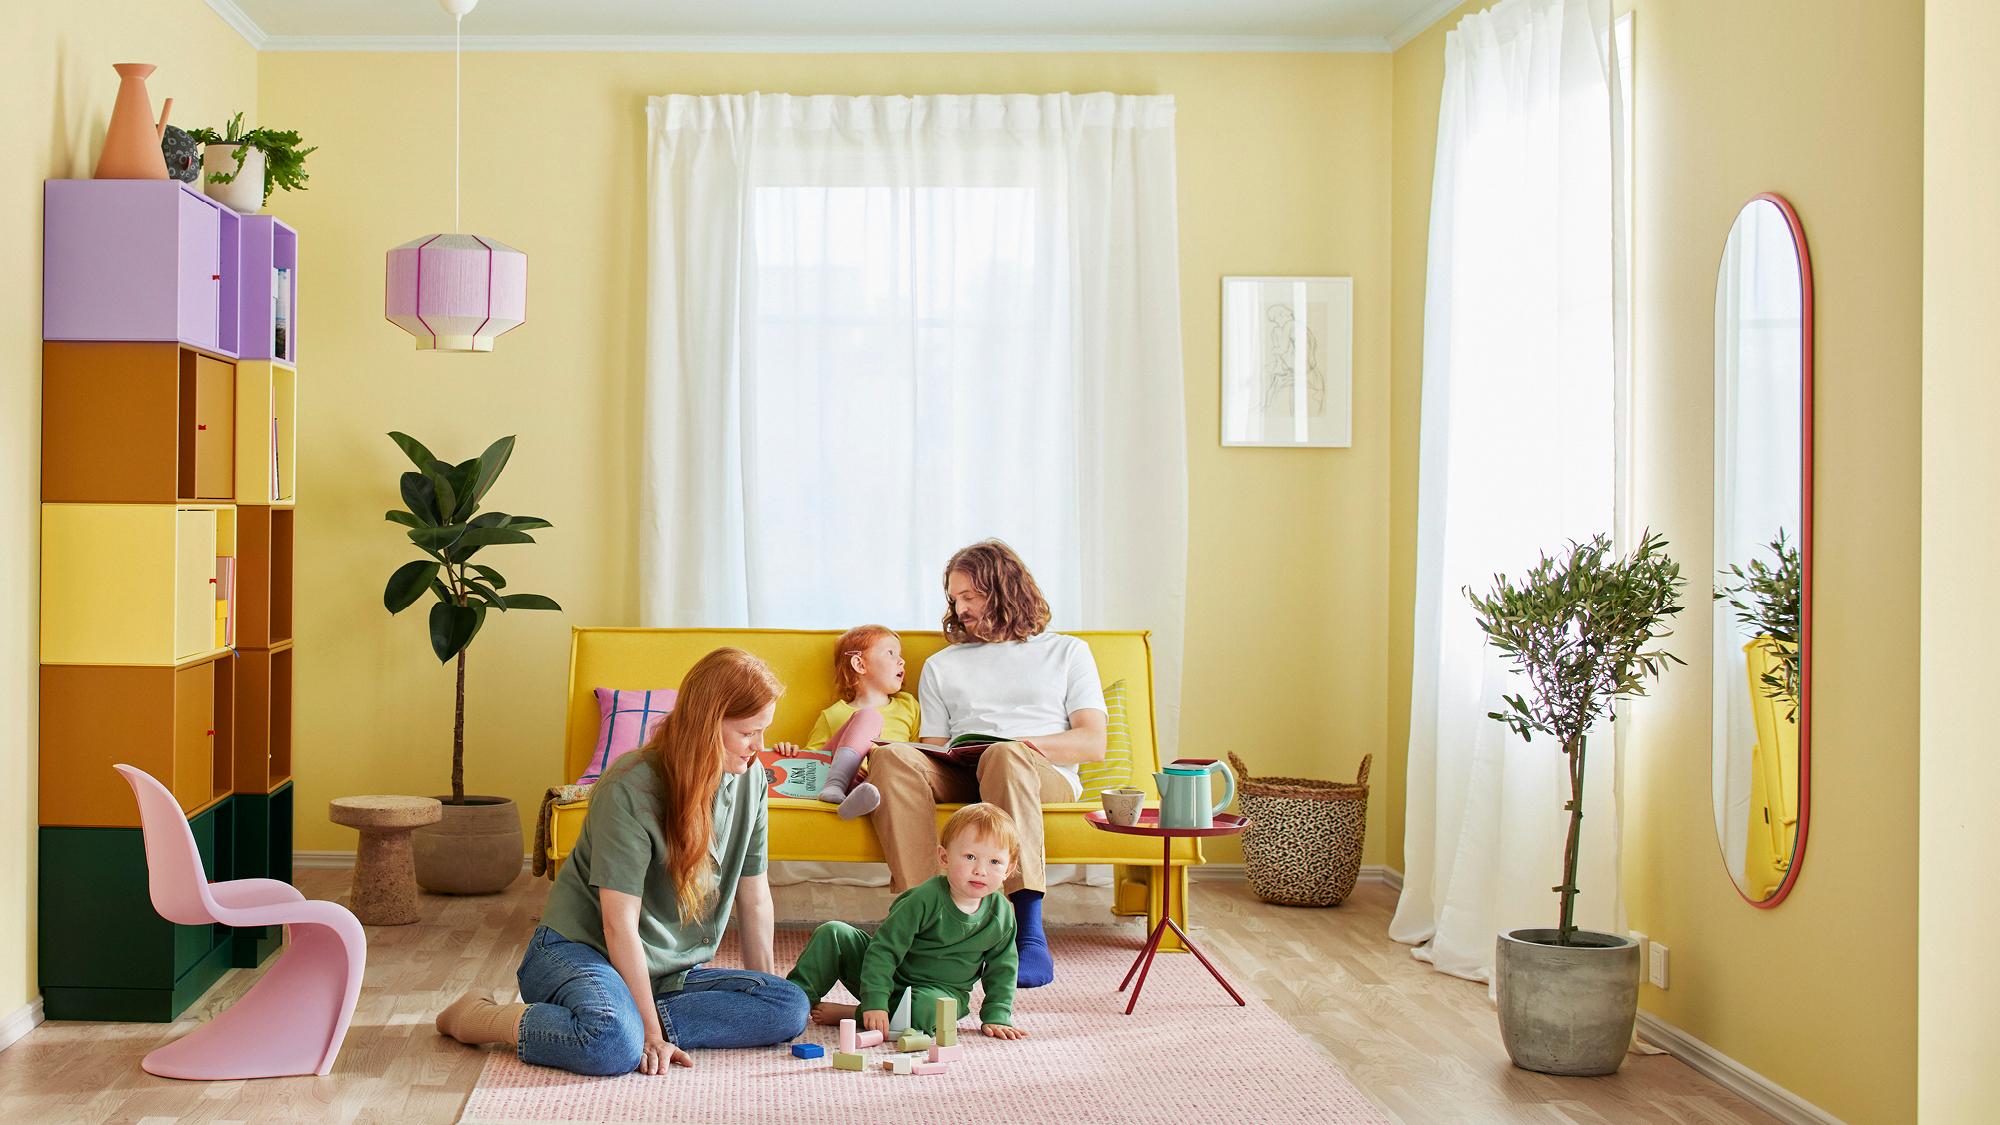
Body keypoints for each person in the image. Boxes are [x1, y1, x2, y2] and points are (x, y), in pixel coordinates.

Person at [435, 648, 810, 1076]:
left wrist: (760, 993)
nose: (759, 748)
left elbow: (755, 897)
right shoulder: (630, 786)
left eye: (764, 732)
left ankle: (625, 1014)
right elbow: (618, 924)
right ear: (708, 726)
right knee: (611, 1045)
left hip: (667, 974)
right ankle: (479, 1017)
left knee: (787, 1006)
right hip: (578, 951)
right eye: (748, 734)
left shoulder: (751, 780)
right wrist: (651, 1034)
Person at [868, 540, 1108, 989]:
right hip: (965, 768)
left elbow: (1092, 742)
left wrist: (1020, 745)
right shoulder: (943, 664)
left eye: (970, 597)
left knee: (1004, 754)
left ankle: (1027, 933)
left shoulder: (1067, 652)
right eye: (955, 600)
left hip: (1038, 772)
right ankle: (927, 917)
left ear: (1003, 588)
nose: (960, 610)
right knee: (890, 755)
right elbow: (933, 745)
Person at [786, 803, 1028, 1040]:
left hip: (939, 994)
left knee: (930, 1009)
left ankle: (854, 1016)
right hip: (887, 977)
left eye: (994, 862)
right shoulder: (923, 899)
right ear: (944, 857)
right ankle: (792, 1001)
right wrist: (875, 1000)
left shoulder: (1002, 914)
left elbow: (1003, 969)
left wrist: (997, 1014)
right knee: (834, 933)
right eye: (970, 857)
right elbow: (883, 950)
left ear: (1009, 868)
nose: (980, 870)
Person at [770, 624, 918, 819]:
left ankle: (856, 799)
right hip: (837, 777)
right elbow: (814, 762)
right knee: (869, 716)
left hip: (884, 781)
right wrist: (789, 754)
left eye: (900, 655)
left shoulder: (908, 705)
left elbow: (919, 755)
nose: (901, 661)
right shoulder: (833, 714)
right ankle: (836, 786)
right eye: (891, 653)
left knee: (887, 766)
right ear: (860, 664)